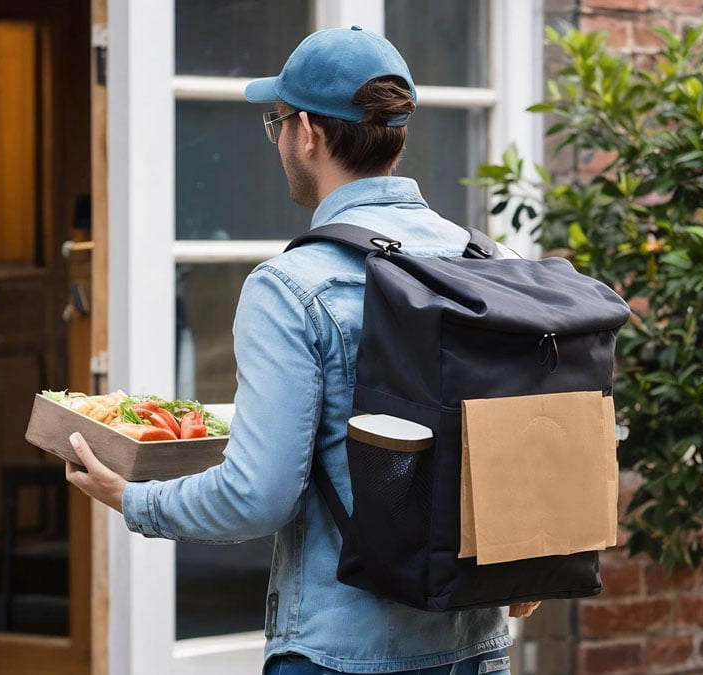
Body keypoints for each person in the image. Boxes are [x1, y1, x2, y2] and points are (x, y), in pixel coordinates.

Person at [65, 26, 536, 674]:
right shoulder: (489, 262)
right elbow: (524, 438)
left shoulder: (291, 286)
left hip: (341, 653)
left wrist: (131, 498)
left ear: (307, 132)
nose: (279, 139)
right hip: (476, 648)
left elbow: (258, 496)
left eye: (277, 122)